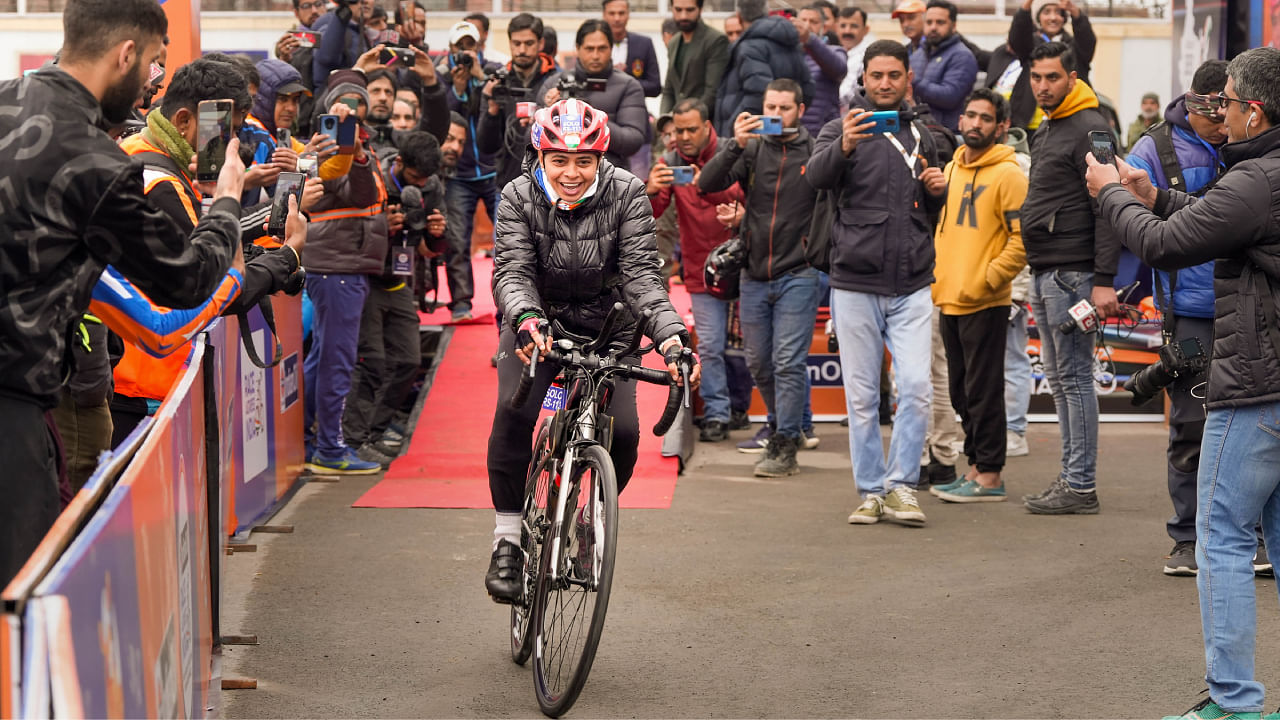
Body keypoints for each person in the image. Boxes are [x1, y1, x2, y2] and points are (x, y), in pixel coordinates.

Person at [0, 0, 247, 587]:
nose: (151, 85)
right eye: (154, 65)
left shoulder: (7, 98)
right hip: (14, 404)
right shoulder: (96, 159)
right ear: (126, 54)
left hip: (27, 395)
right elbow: (184, 278)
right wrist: (230, 203)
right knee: (25, 598)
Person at [1085, 45, 1280, 720]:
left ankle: (1233, 701)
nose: (1216, 111)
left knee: (1220, 537)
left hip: (1257, 387)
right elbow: (1219, 220)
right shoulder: (1261, 177)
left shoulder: (1258, 180)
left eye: (1225, 101)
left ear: (1254, 110)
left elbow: (1170, 245)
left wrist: (1112, 193)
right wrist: (1156, 194)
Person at [484, 98, 700, 602]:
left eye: (584, 161)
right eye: (559, 160)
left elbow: (643, 277)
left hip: (611, 330)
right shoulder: (517, 196)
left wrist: (670, 337)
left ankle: (588, 519)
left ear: (602, 159)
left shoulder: (628, 194)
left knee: (623, 435)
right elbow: (512, 272)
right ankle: (508, 541)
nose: (572, 173)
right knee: (513, 415)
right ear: (540, 157)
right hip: (538, 325)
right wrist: (526, 319)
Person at [109, 57, 312, 443]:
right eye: (225, 132)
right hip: (144, 388)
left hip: (136, 378)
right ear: (185, 121)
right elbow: (213, 290)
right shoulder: (159, 183)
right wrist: (288, 256)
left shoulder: (137, 152)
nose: (233, 146)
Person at [806, 40, 946, 527]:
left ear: (908, 78)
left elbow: (927, 214)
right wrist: (844, 144)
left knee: (915, 386)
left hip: (911, 282)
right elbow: (816, 180)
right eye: (876, 75)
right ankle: (870, 490)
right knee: (862, 397)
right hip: (854, 282)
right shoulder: (838, 127)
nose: (884, 84)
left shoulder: (924, 135)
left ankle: (902, 486)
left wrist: (937, 193)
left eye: (894, 75)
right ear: (862, 79)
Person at [1123, 61, 1229, 576]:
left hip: (1251, 305)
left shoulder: (1255, 139)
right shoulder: (1153, 150)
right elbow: (1117, 210)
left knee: (1256, 425)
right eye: (1219, 114)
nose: (1227, 125)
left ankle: (1250, 535)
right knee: (1190, 425)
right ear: (1198, 106)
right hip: (1188, 311)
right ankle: (1187, 537)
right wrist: (1118, 282)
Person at [699, 79, 821, 476]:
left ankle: (785, 442)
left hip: (799, 272)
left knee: (787, 361)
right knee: (759, 362)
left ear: (800, 111)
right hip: (753, 272)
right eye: (771, 107)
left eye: (785, 108)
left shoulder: (816, 149)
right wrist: (733, 142)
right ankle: (782, 423)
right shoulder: (751, 147)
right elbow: (707, 184)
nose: (777, 115)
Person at [1019, 42, 1118, 514]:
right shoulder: (1050, 125)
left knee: (1075, 380)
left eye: (1051, 77)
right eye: (1036, 77)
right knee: (1060, 381)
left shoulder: (1092, 126)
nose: (1042, 86)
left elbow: (1110, 207)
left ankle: (1080, 486)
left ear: (1073, 77)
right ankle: (1071, 479)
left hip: (1074, 275)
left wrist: (1104, 280)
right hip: (1046, 271)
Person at [927, 89, 1027, 503]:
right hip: (947, 295)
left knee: (984, 393)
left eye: (986, 119)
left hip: (985, 299)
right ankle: (974, 466)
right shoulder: (950, 169)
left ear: (1001, 127)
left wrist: (990, 278)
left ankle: (990, 476)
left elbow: (1023, 241)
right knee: (961, 393)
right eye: (970, 116)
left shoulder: (1009, 174)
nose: (975, 124)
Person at [303, 70, 389, 475]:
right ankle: (329, 449)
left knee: (323, 358)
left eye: (359, 107)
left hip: (342, 265)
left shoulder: (359, 148)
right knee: (335, 361)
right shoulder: (325, 150)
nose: (353, 113)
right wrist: (348, 152)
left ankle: (307, 439)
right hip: (337, 267)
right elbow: (354, 192)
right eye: (344, 108)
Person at [346, 131, 450, 465]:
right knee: (371, 362)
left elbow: (428, 248)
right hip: (366, 279)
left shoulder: (432, 187)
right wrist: (381, 226)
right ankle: (353, 439)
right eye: (415, 178)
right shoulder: (373, 179)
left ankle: (374, 433)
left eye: (426, 179)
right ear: (400, 163)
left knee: (408, 360)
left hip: (400, 280)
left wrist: (436, 235)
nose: (420, 184)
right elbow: (344, 232)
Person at [647, 98, 744, 442]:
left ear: (707, 126)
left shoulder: (734, 151)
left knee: (749, 347)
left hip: (746, 263)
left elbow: (751, 197)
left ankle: (745, 408)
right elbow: (652, 214)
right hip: (701, 268)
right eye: (678, 130)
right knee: (713, 345)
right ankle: (718, 414)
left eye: (691, 129)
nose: (683, 137)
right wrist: (652, 190)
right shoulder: (669, 161)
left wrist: (710, 184)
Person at [538, 20, 649, 171]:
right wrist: (548, 113)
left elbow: (632, 142)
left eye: (602, 48)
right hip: (561, 178)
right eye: (589, 49)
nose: (596, 55)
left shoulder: (629, 86)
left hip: (611, 179)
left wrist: (588, 116)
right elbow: (531, 140)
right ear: (577, 48)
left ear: (611, 49)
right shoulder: (555, 83)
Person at [478, 13, 558, 195]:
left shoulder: (556, 81)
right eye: (516, 43)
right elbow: (486, 146)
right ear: (510, 43)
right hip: (507, 186)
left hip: (550, 186)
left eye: (529, 43)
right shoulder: (497, 83)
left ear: (541, 44)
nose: (522, 50)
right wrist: (491, 112)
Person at [990, 0, 1096, 131]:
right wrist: (1027, 5)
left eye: (1058, 12)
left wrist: (1074, 10)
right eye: (1047, 12)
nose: (1053, 17)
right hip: (1028, 125)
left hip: (1069, 121)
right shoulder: (1030, 46)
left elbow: (1087, 39)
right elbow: (1018, 35)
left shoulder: (1074, 47)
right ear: (1038, 18)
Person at [715, 0, 814, 138]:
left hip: (756, 138)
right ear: (767, 12)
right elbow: (808, 88)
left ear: (738, 17)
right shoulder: (789, 41)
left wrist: (734, 129)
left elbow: (758, 93)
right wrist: (788, 120)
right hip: (786, 134)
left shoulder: (749, 47)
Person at [910, 0, 979, 132]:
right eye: (929, 22)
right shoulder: (917, 55)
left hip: (946, 135)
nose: (933, 27)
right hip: (917, 130)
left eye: (940, 22)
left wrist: (912, 80)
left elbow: (949, 97)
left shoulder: (962, 56)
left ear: (953, 26)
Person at [661, 0, 731, 115]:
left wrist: (684, 117)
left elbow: (712, 93)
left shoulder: (716, 40)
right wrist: (664, 119)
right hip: (677, 123)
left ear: (700, 9)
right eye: (678, 10)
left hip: (704, 122)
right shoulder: (674, 42)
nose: (683, 16)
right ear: (672, 9)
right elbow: (669, 90)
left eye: (690, 10)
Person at [794, 4, 847, 137]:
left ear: (824, 28)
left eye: (813, 22)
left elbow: (839, 69)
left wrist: (810, 40)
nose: (807, 25)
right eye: (803, 21)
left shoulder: (835, 51)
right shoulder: (787, 54)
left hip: (823, 134)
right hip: (792, 135)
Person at [274, 0, 325, 135]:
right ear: (296, 12)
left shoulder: (339, 36)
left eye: (318, 4)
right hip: (301, 125)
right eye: (307, 6)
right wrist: (284, 60)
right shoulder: (289, 43)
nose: (314, 10)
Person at [603, 0, 661, 99]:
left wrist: (625, 80)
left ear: (628, 14)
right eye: (612, 13)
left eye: (621, 13)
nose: (617, 18)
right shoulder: (594, 44)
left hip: (634, 107)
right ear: (604, 15)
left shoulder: (644, 43)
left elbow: (655, 87)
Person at [837, 7, 876, 106]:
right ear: (836, 28)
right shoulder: (837, 53)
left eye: (854, 26)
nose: (847, 31)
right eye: (843, 26)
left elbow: (845, 95)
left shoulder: (867, 56)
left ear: (866, 30)